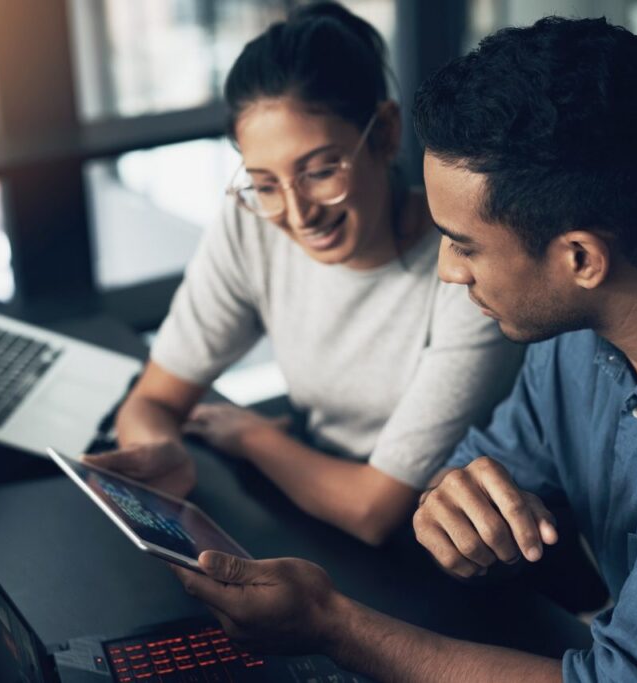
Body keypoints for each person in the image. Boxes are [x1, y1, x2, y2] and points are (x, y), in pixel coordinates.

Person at [169, 16, 637, 682]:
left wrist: (331, 624)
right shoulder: (578, 322)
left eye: (465, 244)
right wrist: (456, 508)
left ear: (579, 257)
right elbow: (483, 469)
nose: (447, 269)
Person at [87, 3, 521, 545]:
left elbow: (373, 509)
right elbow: (152, 400)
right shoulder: (252, 227)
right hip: (312, 504)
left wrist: (250, 436)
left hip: (450, 550)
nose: (296, 215)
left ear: (384, 134)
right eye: (266, 185)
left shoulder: (465, 269)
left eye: (319, 171)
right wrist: (160, 451)